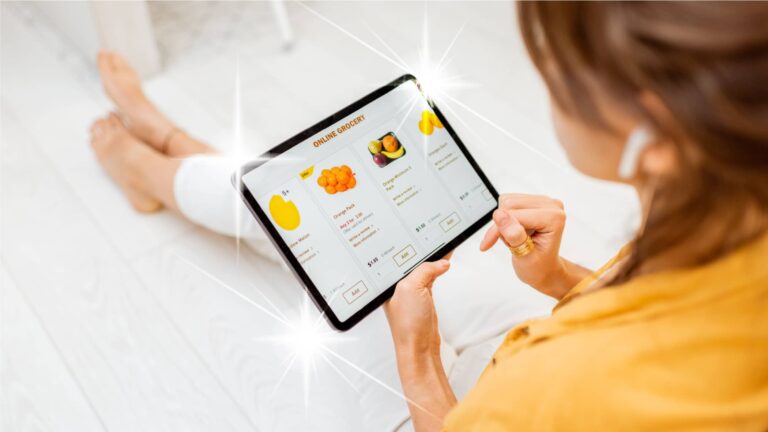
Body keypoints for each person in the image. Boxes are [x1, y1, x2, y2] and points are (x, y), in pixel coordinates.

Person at [90, 2, 768, 430]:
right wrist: (560, 277)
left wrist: (416, 358)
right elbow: (663, 311)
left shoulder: (573, 389)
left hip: (468, 407)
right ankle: (181, 153)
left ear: (649, 131)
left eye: (561, 69)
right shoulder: (737, 217)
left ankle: (159, 162)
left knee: (327, 236)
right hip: (531, 357)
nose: (546, 78)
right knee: (327, 215)